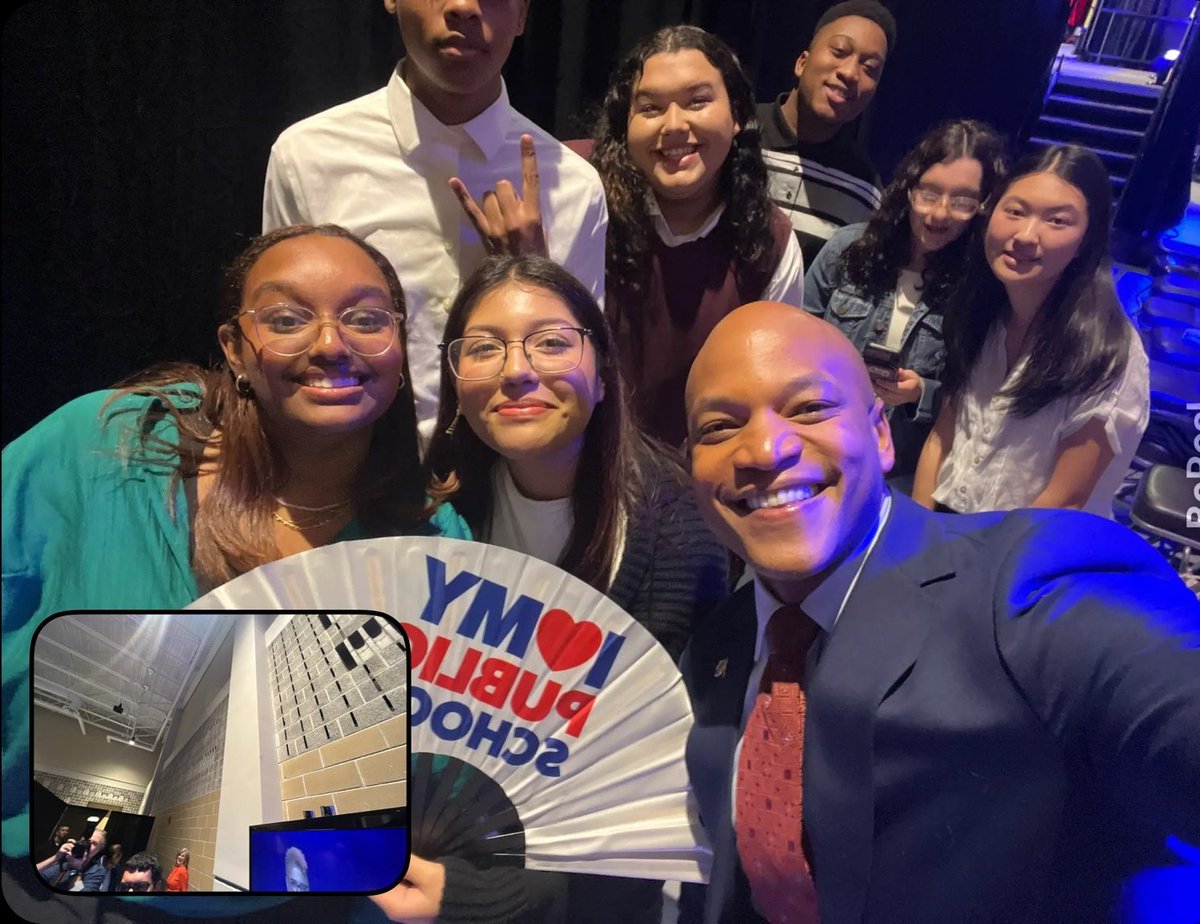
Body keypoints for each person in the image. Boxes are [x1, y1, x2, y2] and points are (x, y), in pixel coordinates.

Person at [680, 300, 1200, 923]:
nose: (763, 449)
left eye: (810, 407)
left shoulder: (1031, 581)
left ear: (879, 433)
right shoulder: (718, 648)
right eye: (719, 428)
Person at [2, 224, 468, 863]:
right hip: (71, 889)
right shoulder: (105, 447)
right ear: (236, 349)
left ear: (397, 345)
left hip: (318, 897)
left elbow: (442, 767)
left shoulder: (433, 540)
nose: (331, 345)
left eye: (364, 319)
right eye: (286, 319)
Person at [375, 254, 728, 924]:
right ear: (455, 383)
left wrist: (479, 900)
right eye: (484, 348)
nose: (516, 370)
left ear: (602, 377)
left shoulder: (678, 532)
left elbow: (658, 799)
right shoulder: (428, 514)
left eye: (552, 342)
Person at [263, 0, 607, 440]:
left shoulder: (574, 186)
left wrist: (531, 278)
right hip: (351, 472)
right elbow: (281, 344)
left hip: (512, 477)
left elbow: (584, 377)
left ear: (522, 15)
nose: (464, 6)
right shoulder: (308, 159)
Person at [590, 25, 804, 446]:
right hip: (586, 462)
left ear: (737, 115)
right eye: (650, 108)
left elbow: (771, 383)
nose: (673, 125)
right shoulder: (586, 206)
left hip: (700, 477)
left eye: (698, 101)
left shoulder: (771, 242)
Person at [913, 144, 1150, 516]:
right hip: (947, 528)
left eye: (1056, 221)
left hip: (1030, 553)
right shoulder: (979, 311)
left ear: (1087, 240)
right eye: (1015, 211)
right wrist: (918, 533)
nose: (1025, 235)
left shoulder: (1107, 350)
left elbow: (1064, 502)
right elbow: (942, 438)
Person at [804, 119, 1007, 478]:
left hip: (904, 466)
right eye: (929, 193)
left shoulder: (980, 287)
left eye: (962, 201)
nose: (940, 213)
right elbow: (795, 337)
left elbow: (979, 398)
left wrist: (921, 393)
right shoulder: (848, 249)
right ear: (909, 189)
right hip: (820, 443)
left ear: (983, 206)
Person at [759, 0, 896, 268]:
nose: (850, 73)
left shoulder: (864, 192)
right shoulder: (735, 136)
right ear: (802, 63)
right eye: (839, 51)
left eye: (869, 69)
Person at [36, 827, 108, 891]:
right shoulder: (66, 858)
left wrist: (77, 872)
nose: (88, 845)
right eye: (87, 841)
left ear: (99, 850)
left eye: (94, 843)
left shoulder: (97, 870)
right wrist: (56, 857)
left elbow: (83, 900)